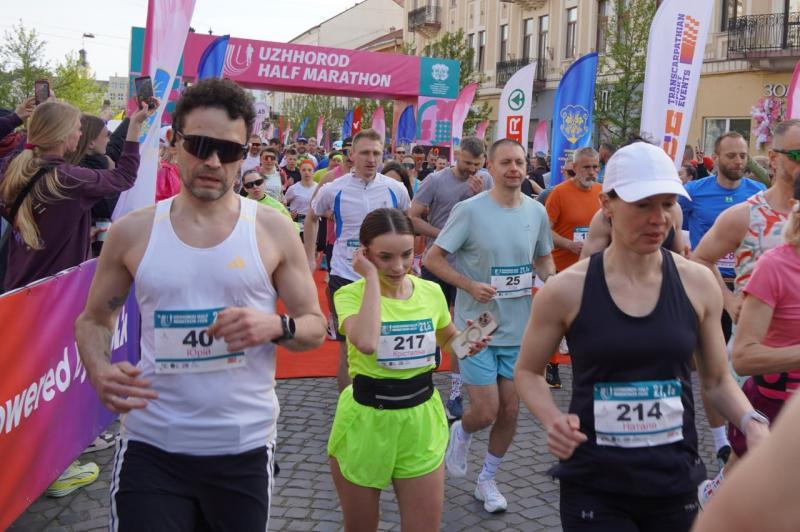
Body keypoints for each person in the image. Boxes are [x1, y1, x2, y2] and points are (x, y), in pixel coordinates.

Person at [74, 78, 326, 530]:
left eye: (228, 151)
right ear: (175, 142)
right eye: (200, 145)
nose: (213, 162)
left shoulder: (273, 229)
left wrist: (276, 327)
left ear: (245, 154)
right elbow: (94, 320)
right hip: (151, 446)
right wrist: (98, 370)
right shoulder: (133, 231)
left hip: (243, 447)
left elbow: (313, 325)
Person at [514, 141, 769, 531]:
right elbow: (528, 371)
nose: (658, 219)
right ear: (607, 205)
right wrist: (553, 419)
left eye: (667, 204)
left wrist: (751, 422)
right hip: (595, 484)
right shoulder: (566, 289)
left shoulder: (698, 283)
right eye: (643, 205)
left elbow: (717, 379)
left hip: (673, 480)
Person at [329, 208, 490, 531]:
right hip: (366, 422)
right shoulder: (349, 295)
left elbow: (449, 342)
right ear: (364, 253)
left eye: (406, 254)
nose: (399, 266)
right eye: (385, 257)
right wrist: (370, 280)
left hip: (420, 420)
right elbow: (366, 342)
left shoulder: (430, 292)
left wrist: (470, 342)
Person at [425, 139, 555, 513]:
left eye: (520, 162)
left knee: (510, 411)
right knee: (485, 411)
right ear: (491, 168)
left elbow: (544, 259)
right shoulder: (469, 210)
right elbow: (434, 259)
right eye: (506, 162)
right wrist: (468, 285)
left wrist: (553, 281)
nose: (514, 168)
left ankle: (487, 480)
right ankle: (461, 430)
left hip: (520, 326)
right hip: (475, 325)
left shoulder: (536, 211)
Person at [690, 125, 797, 476]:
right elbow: (701, 258)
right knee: (751, 461)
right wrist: (727, 299)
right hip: (757, 355)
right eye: (797, 155)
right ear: (775, 158)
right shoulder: (746, 214)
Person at [680, 132, 767, 464]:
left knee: (748, 367)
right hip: (708, 288)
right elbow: (677, 228)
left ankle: (750, 426)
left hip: (750, 292)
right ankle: (721, 443)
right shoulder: (694, 192)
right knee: (710, 368)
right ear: (715, 159)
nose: (739, 161)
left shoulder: (757, 193)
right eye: (731, 155)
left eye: (743, 155)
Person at [0, 100, 150, 292]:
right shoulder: (69, 179)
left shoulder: (10, 167)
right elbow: (125, 176)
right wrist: (135, 126)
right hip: (54, 289)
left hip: (16, 283)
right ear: (63, 134)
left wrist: (15, 118)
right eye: (78, 129)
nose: (81, 135)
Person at [304, 129, 411, 391]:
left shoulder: (396, 189)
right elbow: (311, 217)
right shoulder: (334, 189)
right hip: (345, 275)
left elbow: (407, 225)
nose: (371, 159)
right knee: (348, 346)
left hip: (386, 277)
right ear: (351, 154)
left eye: (376, 153)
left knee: (383, 338)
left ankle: (384, 393)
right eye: (365, 153)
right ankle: (347, 403)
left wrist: (410, 260)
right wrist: (309, 257)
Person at [408, 137, 493, 420]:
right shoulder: (435, 180)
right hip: (438, 263)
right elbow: (412, 217)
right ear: (457, 156)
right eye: (467, 163)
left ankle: (457, 392)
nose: (472, 169)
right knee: (432, 322)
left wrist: (481, 197)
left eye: (477, 164)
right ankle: (424, 375)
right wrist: (445, 237)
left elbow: (494, 218)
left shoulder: (487, 182)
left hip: (472, 268)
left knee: (469, 328)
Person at [543, 147, 602, 387]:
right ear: (574, 168)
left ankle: (585, 369)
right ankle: (552, 366)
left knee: (585, 324)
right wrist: (569, 244)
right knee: (559, 322)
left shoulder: (602, 193)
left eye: (595, 167)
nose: (592, 172)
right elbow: (544, 230)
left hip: (592, 270)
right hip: (562, 269)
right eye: (586, 167)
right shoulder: (559, 193)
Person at [285, 158, 318, 238]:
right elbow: (283, 204)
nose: (307, 172)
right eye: (304, 170)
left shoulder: (318, 187)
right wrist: (288, 213)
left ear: (313, 171)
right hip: (297, 225)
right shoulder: (293, 188)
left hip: (313, 224)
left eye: (309, 170)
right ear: (300, 171)